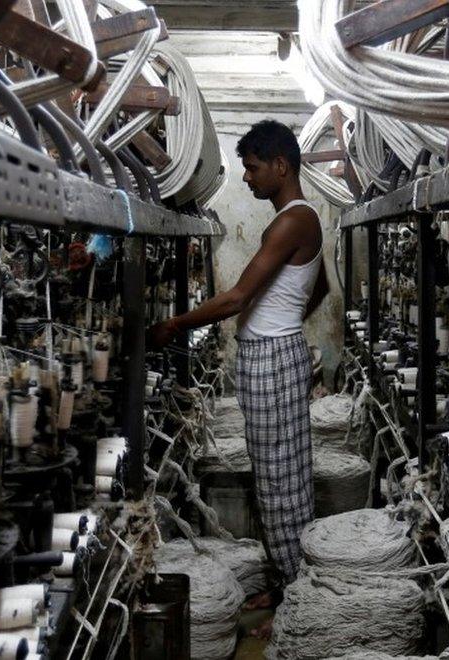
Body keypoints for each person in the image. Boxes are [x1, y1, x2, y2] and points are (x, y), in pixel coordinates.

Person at [147, 119, 328, 637]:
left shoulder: (292, 221)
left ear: (281, 166)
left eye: (251, 168)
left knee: (281, 485)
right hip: (274, 353)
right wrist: (288, 319)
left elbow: (235, 298)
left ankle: (298, 601)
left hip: (272, 358)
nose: (246, 179)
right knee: (276, 477)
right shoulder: (296, 220)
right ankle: (284, 578)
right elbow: (322, 289)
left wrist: (174, 325)